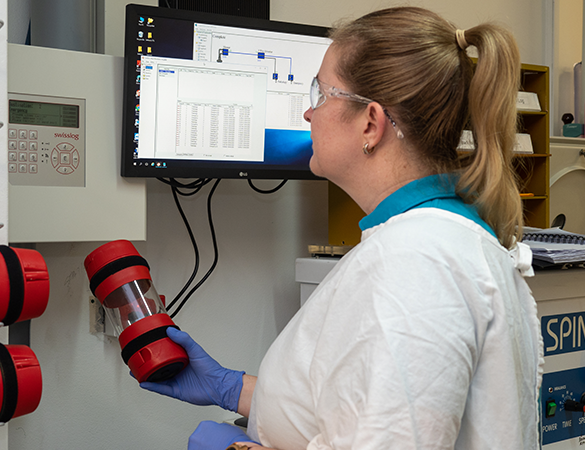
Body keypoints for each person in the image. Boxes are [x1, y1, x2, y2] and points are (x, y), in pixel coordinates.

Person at [141, 6, 543, 449]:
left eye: (321, 93)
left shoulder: (416, 263)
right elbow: (369, 409)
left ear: (370, 122)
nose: (309, 115)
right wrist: (233, 389)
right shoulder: (427, 243)